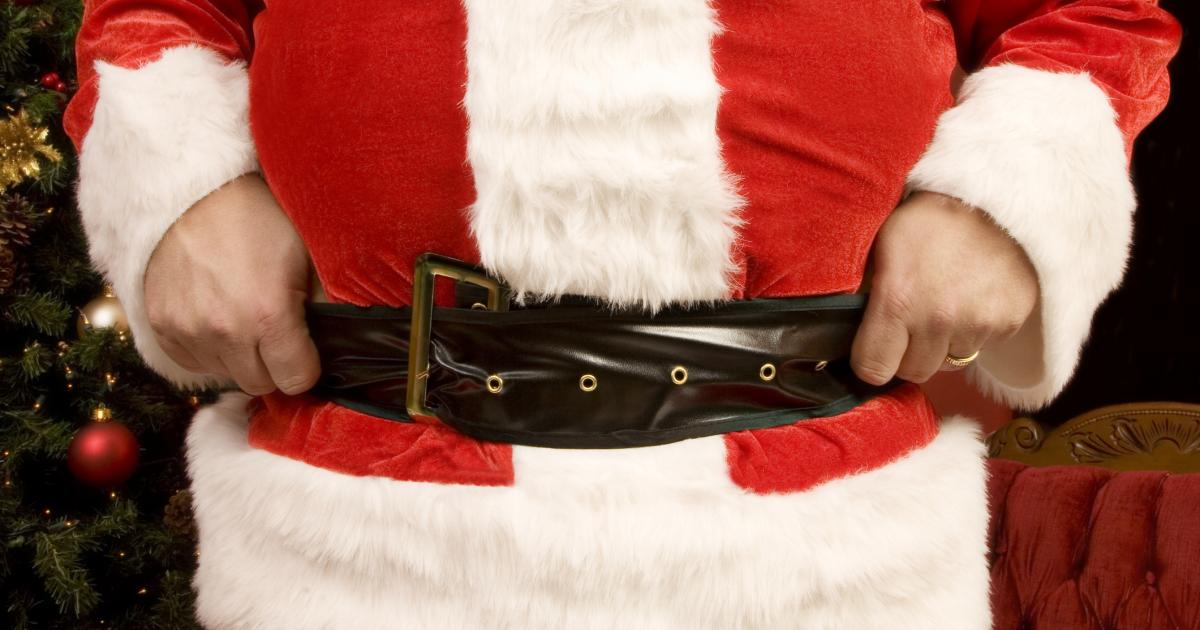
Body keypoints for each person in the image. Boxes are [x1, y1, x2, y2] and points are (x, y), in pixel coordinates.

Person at [65, 1, 1180, 628]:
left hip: (818, 536)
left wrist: (999, 202)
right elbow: (154, 13)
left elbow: (1088, 19)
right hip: (363, 528)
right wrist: (187, 194)